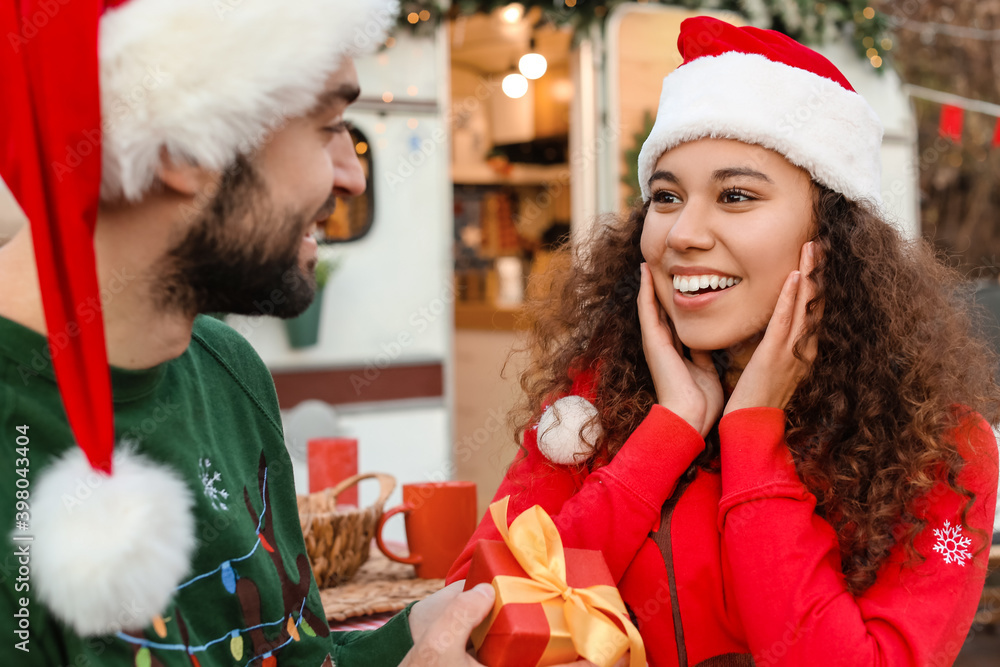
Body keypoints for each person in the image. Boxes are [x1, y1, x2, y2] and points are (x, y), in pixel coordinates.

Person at [0, 2, 601, 666]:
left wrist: (416, 631)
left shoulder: (228, 368)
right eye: (328, 127)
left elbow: (290, 654)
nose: (353, 175)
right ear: (180, 145)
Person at [447, 16, 1000, 667]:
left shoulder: (938, 446)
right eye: (665, 196)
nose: (683, 231)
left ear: (835, 239)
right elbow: (470, 611)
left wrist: (752, 438)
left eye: (735, 195)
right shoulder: (595, 396)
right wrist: (666, 432)